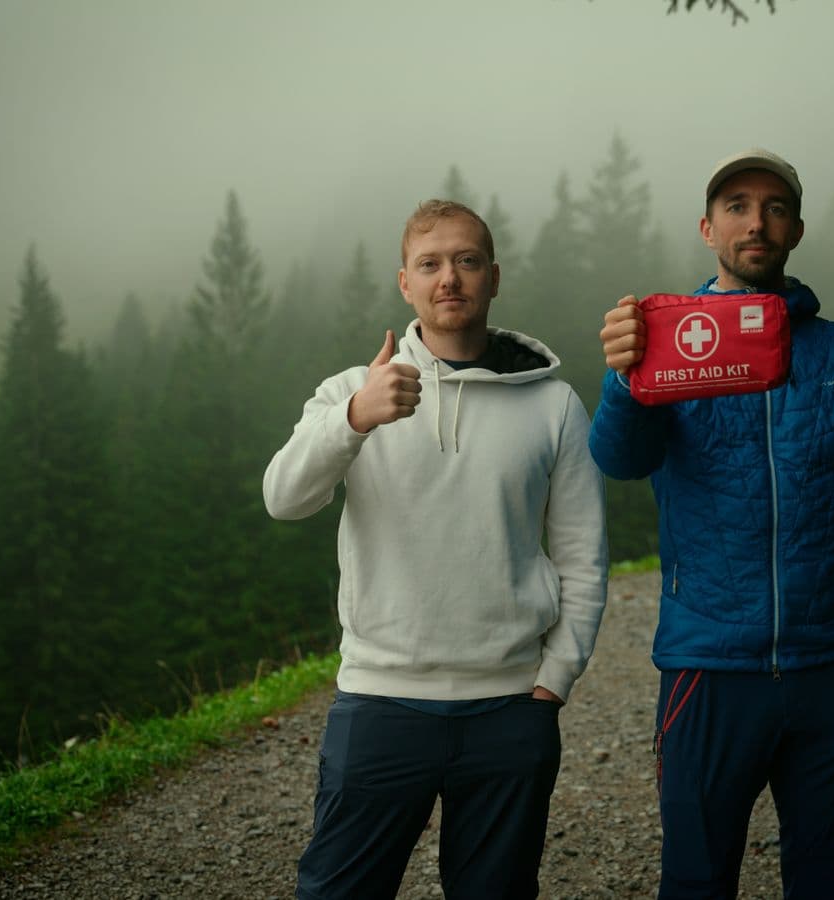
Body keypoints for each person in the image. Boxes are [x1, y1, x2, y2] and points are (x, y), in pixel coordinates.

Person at [587, 148, 834, 899]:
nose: (756, 221)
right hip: (708, 667)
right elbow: (620, 460)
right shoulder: (668, 341)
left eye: (773, 207)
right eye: (736, 205)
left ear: (796, 229)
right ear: (708, 228)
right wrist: (624, 375)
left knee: (827, 883)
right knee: (697, 884)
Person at [264, 199, 608, 900]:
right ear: (405, 284)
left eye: (466, 260)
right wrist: (355, 418)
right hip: (380, 704)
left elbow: (583, 555)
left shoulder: (555, 405)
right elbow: (284, 498)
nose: (449, 277)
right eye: (430, 264)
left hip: (511, 711)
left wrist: (556, 679)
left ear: (493, 277)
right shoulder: (348, 393)